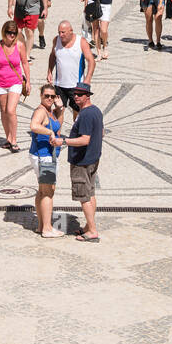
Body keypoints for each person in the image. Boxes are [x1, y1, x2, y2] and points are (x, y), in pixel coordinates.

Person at [62, 84, 103, 242]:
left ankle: (92, 230)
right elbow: (101, 133)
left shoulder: (85, 114)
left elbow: (85, 139)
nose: (76, 96)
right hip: (92, 159)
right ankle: (88, 225)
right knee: (90, 193)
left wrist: (64, 141)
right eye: (75, 94)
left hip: (82, 161)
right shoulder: (96, 111)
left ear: (88, 96)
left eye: (80, 94)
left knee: (83, 196)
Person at [0, 21, 30, 150]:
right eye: (9, 33)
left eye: (14, 33)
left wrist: (28, 81)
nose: (11, 35)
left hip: (15, 82)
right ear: (4, 32)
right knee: (4, 111)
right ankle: (8, 138)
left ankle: (14, 139)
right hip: (0, 82)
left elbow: (25, 63)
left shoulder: (20, 45)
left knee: (11, 110)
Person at [29, 84, 66, 237]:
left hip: (46, 155)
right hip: (44, 156)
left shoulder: (50, 112)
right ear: (41, 96)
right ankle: (47, 228)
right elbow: (34, 126)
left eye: (52, 96)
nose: (50, 98)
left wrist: (60, 109)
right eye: (47, 96)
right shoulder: (40, 111)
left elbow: (58, 127)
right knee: (48, 192)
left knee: (42, 190)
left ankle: (40, 225)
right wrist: (48, 131)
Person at [47, 19, 96, 107]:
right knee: (59, 109)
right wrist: (50, 71)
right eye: (59, 32)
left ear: (71, 31)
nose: (60, 35)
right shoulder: (56, 40)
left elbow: (91, 61)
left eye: (63, 32)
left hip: (77, 85)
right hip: (60, 84)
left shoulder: (81, 42)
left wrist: (88, 79)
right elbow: (53, 56)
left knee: (77, 112)